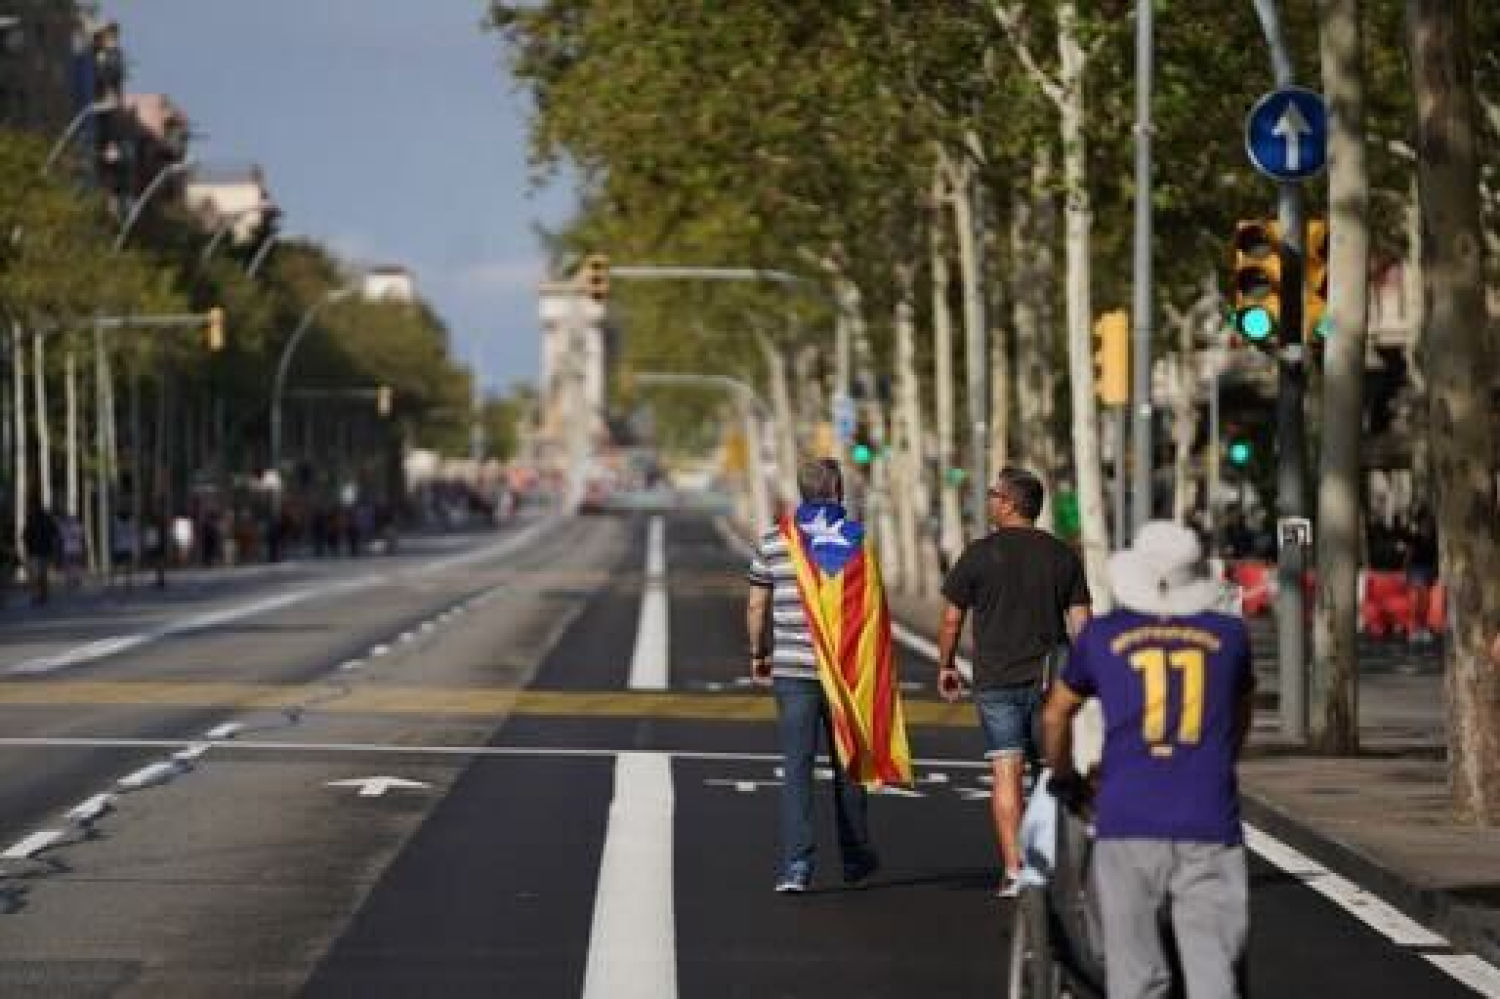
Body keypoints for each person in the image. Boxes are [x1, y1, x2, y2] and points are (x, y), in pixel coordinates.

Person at [1041, 520, 1255, 999]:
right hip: (1208, 816)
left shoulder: (1103, 636)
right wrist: (1220, 763)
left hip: (1126, 818)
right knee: (1214, 975)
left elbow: (1056, 714)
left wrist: (1065, 776)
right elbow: (1240, 715)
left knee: (1136, 978)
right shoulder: (1230, 638)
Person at [745, 457, 911, 894]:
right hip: (846, 672)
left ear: (801, 492)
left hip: (792, 671)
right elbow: (870, 611)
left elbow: (757, 606)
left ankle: (796, 866)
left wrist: (758, 652)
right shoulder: (857, 541)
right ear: (836, 492)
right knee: (850, 762)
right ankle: (855, 859)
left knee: (796, 768)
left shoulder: (774, 541)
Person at [936, 465, 1091, 898]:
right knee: (1050, 774)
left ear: (1008, 504)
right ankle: (1055, 870)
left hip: (996, 680)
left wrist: (946, 665)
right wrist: (1090, 679)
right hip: (1051, 681)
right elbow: (1083, 625)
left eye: (993, 495)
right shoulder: (1062, 556)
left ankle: (1014, 869)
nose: (989, 501)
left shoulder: (978, 554)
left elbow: (951, 619)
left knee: (1006, 772)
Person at [22, 502, 60, 606]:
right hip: (45, 551)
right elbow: (55, 534)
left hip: (34, 552)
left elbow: (25, 535)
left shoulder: (31, 520)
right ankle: (43, 595)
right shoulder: (48, 520)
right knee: (43, 575)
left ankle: (36, 595)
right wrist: (54, 550)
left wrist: (27, 548)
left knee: (35, 575)